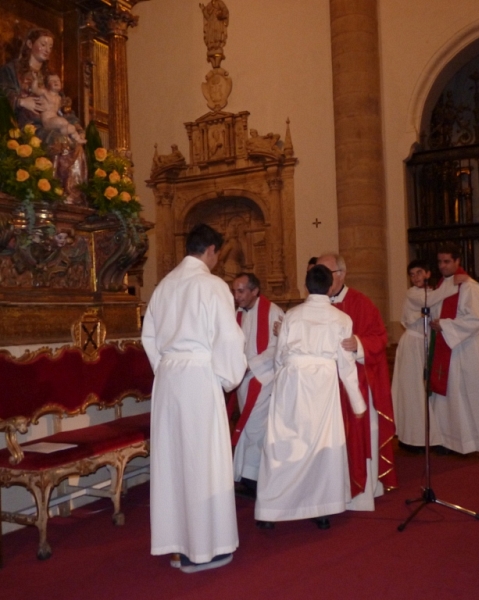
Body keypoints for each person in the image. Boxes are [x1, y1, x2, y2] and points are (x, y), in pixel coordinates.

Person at [141, 223, 247, 573]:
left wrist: (168, 369)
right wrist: (225, 377)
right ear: (212, 251)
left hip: (170, 380)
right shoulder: (212, 285)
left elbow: (149, 337)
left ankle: (177, 543)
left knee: (174, 463)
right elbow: (229, 339)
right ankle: (204, 548)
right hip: (199, 378)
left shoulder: (164, 286)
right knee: (204, 462)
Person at [255, 265, 366, 529]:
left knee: (283, 442)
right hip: (323, 384)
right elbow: (346, 364)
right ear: (330, 288)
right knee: (320, 445)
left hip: (292, 381)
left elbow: (280, 354)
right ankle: (321, 507)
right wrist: (357, 401)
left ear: (307, 286)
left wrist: (283, 378)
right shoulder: (341, 319)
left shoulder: (292, 315)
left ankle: (272, 509)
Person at [316, 253, 398, 510]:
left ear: (341, 274)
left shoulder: (360, 303)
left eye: (327, 273)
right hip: (326, 387)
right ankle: (331, 490)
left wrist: (358, 344)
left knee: (359, 436)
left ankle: (361, 492)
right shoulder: (316, 305)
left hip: (357, 385)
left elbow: (380, 337)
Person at [429, 243, 479, 462]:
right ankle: (451, 441)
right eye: (440, 262)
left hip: (467, 348)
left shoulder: (469, 286)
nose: (442, 266)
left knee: (474, 395)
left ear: (458, 261)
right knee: (450, 397)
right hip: (448, 347)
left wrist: (446, 325)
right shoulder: (441, 286)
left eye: (447, 261)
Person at [0, 28, 87, 204]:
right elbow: (3, 93)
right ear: (30, 45)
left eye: (50, 46)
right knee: (59, 141)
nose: (47, 49)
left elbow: (63, 108)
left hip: (49, 123)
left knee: (76, 145)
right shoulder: (12, 70)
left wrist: (76, 127)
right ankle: (51, 194)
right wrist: (22, 102)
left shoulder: (50, 78)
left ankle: (72, 196)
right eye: (43, 44)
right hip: (24, 127)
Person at [391, 259, 467, 450]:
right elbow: (431, 301)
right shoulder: (414, 294)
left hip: (425, 344)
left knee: (425, 390)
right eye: (412, 274)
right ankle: (411, 438)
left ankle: (427, 435)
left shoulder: (431, 293)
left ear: (427, 274)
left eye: (419, 272)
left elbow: (437, 304)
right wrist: (453, 282)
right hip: (412, 343)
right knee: (412, 390)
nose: (415, 277)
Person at [231, 272, 284, 497]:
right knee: (248, 427)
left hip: (265, 378)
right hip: (243, 380)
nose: (236, 296)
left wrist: (250, 366)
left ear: (255, 291)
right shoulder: (237, 314)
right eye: (234, 291)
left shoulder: (273, 312)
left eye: (241, 291)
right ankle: (246, 475)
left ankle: (254, 480)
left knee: (255, 428)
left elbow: (278, 347)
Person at [31, 72, 86, 144]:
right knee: (62, 122)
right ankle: (68, 139)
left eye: (58, 80)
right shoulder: (45, 93)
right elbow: (35, 90)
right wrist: (35, 80)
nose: (56, 82)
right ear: (47, 85)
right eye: (52, 80)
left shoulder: (60, 98)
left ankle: (76, 139)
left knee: (71, 128)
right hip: (47, 120)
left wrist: (66, 105)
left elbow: (63, 112)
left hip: (57, 120)